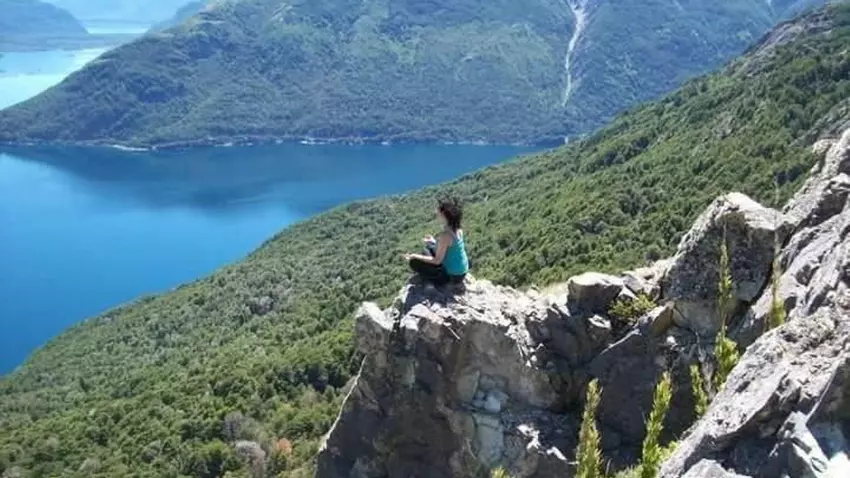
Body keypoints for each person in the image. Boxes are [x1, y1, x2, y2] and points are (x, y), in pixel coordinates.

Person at [404, 196, 469, 286]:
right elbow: (449, 247)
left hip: (452, 276)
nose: (436, 213)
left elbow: (437, 261)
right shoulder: (457, 229)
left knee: (414, 262)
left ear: (444, 215)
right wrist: (433, 241)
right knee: (428, 247)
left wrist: (415, 256)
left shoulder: (445, 235)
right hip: (461, 270)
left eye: (438, 212)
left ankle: (436, 282)